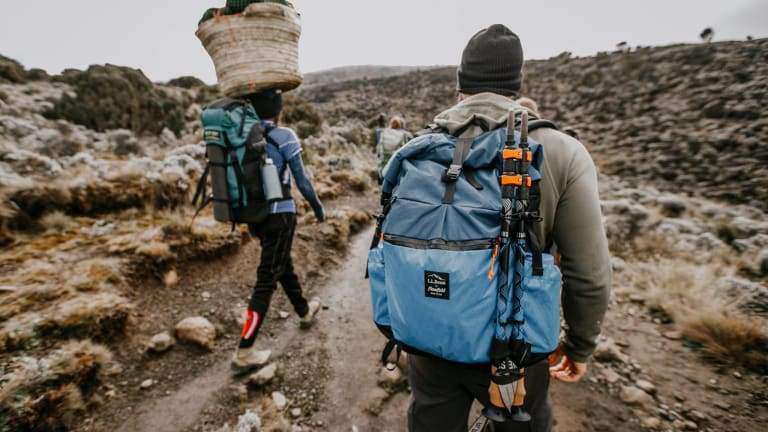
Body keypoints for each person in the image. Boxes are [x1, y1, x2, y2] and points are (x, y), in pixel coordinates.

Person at [405, 25, 611, 432]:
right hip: (513, 346)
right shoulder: (562, 152)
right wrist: (579, 345)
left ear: (460, 83)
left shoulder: (421, 146)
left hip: (430, 333)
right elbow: (589, 274)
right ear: (516, 85)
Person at [232, 89, 326, 372]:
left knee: (281, 264)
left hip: (255, 217)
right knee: (266, 279)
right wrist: (318, 208)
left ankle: (304, 311)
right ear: (279, 110)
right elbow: (302, 180)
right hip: (281, 216)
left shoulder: (243, 136)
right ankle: (244, 352)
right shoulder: (285, 136)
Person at [374, 116, 413, 180]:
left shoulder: (383, 133)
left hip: (382, 168)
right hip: (396, 169)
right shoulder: (404, 135)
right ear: (401, 125)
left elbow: (378, 150)